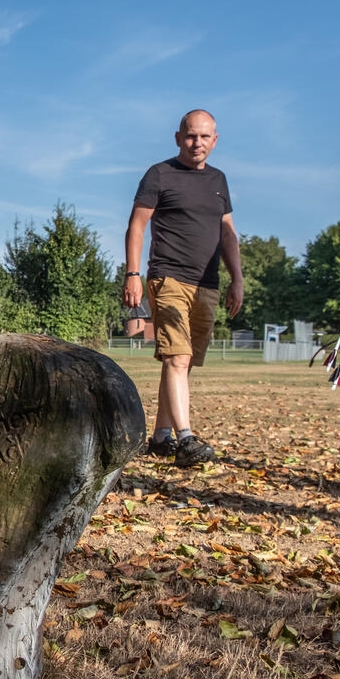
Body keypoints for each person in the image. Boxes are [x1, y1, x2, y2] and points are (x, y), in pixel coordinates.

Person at [123, 109, 243, 467]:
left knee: (182, 361)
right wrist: (133, 274)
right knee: (177, 357)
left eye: (204, 137)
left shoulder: (219, 180)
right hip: (168, 277)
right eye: (191, 136)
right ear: (178, 138)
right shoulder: (159, 174)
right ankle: (186, 439)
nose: (197, 143)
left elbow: (228, 234)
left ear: (215, 140)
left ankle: (162, 436)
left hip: (207, 283)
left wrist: (237, 278)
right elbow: (137, 225)